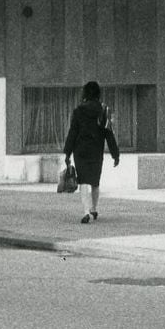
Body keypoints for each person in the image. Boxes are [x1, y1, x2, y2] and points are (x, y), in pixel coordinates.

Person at [62, 80, 121, 225]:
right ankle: (94, 209)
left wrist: (67, 153)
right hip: (96, 150)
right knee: (95, 182)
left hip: (80, 151)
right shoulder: (103, 110)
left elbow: (72, 133)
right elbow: (109, 134)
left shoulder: (78, 111)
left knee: (82, 181)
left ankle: (86, 212)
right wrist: (115, 154)